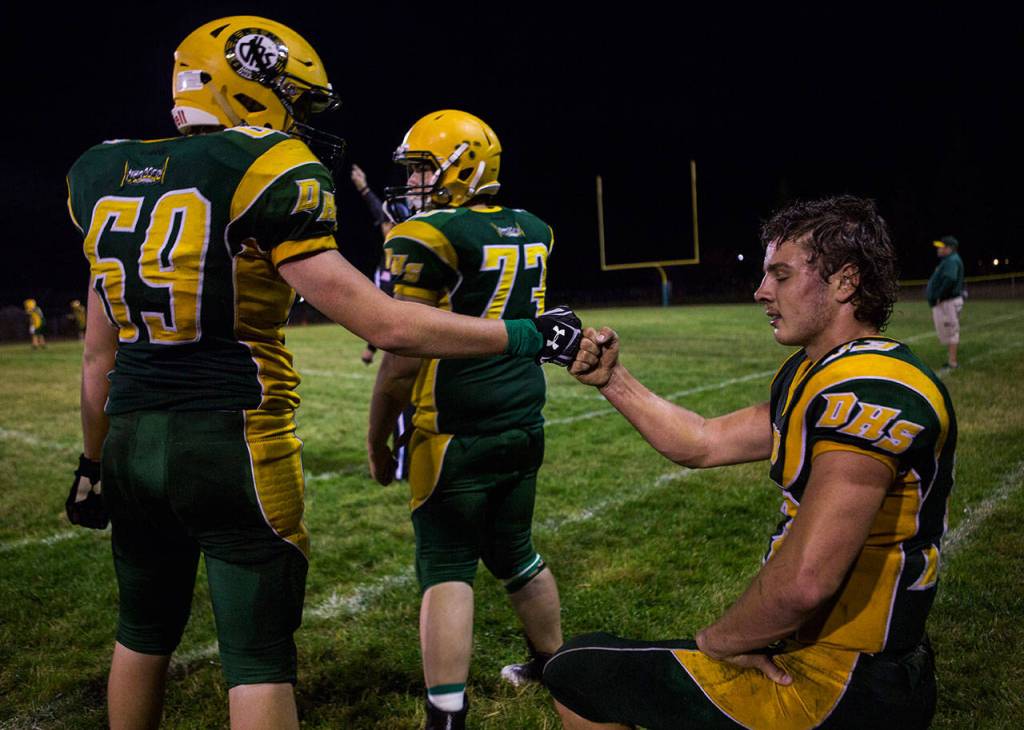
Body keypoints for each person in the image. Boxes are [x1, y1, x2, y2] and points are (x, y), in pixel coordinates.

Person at [64, 19, 579, 730]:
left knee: (142, 632)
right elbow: (385, 324)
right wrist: (526, 332)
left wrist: (91, 460)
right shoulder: (265, 168)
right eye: (292, 98)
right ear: (246, 82)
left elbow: (98, 355)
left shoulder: (104, 173)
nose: (300, 117)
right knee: (257, 658)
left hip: (128, 439)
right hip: (232, 439)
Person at [547, 196, 956, 730]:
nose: (761, 291)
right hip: (838, 659)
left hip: (846, 682)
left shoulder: (872, 390)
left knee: (578, 675)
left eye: (780, 276)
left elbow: (806, 579)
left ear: (844, 282)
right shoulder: (817, 371)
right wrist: (611, 380)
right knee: (594, 659)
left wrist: (718, 642)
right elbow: (702, 441)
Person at [367, 110, 571, 730]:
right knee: (514, 548)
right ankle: (552, 664)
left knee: (446, 562)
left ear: (465, 164)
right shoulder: (535, 228)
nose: (415, 182)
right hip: (522, 416)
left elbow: (401, 359)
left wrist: (378, 436)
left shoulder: (426, 235)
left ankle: (446, 713)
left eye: (424, 167)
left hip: (453, 424)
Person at [927, 235, 965, 370]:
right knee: (949, 331)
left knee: (951, 331)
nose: (938, 249)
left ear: (949, 248)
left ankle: (952, 362)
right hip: (947, 300)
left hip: (948, 301)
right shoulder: (949, 260)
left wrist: (939, 295)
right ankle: (951, 360)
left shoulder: (951, 260)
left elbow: (950, 279)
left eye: (941, 247)